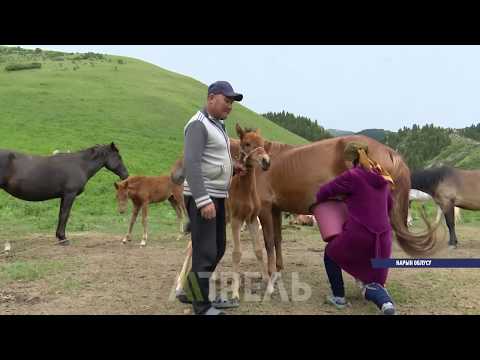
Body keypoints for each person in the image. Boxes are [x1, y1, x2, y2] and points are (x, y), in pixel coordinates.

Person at [179, 81, 246, 315]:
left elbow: (212, 157)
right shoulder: (198, 125)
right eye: (226, 101)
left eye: (231, 102)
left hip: (217, 195)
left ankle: (191, 291)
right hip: (204, 196)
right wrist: (202, 199)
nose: (229, 106)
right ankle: (201, 306)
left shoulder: (216, 124)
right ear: (211, 98)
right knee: (205, 251)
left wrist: (232, 167)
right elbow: (192, 163)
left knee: (217, 247)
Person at [312, 142, 397, 315]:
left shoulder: (352, 176)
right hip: (384, 238)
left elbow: (323, 192)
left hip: (360, 234)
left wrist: (342, 196)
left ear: (350, 160)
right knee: (373, 282)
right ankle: (386, 303)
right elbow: (389, 205)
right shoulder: (381, 176)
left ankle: (339, 297)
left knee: (331, 253)